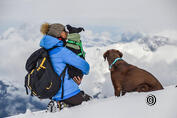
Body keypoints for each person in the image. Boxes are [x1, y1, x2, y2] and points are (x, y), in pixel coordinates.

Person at [40, 23, 91, 111]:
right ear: (59, 33)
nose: (67, 33)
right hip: (69, 93)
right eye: (64, 31)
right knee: (91, 104)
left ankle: (59, 104)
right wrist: (80, 75)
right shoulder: (62, 51)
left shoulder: (44, 51)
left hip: (54, 93)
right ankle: (62, 105)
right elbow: (85, 66)